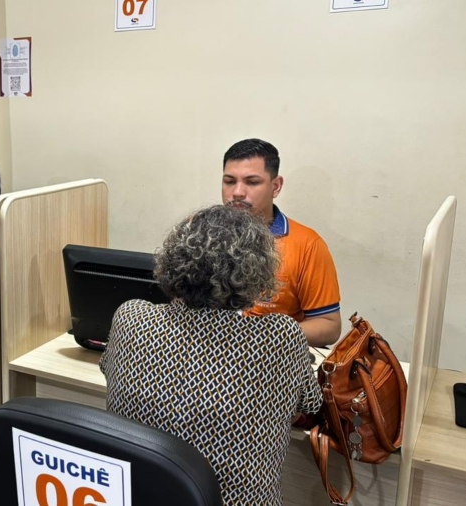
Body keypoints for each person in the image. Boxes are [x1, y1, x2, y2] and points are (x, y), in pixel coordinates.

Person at [100, 205, 322, 505]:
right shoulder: (280, 336)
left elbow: (108, 369)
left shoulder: (129, 318)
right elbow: (309, 403)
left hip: (141, 496)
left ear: (173, 260)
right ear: (258, 270)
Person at [221, 138, 341, 346]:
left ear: (275, 187)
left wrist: (259, 336)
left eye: (252, 182)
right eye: (230, 181)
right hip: (207, 357)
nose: (238, 192)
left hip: (274, 362)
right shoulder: (199, 235)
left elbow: (328, 325)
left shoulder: (307, 244)